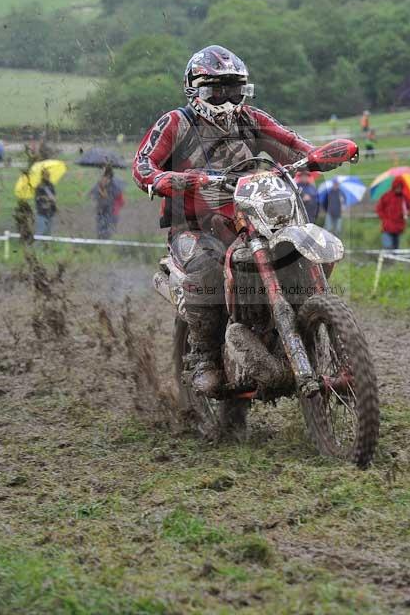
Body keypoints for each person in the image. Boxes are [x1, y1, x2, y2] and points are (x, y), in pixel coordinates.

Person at [132, 44, 335, 397]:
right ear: (195, 90)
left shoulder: (251, 118)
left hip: (248, 218)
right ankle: (203, 357)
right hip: (192, 227)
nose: (226, 100)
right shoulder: (176, 123)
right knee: (209, 268)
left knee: (300, 246)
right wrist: (164, 180)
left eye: (234, 90)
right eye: (217, 90)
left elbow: (290, 142)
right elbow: (143, 165)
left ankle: (306, 324)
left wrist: (318, 156)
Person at [376, 176, 410, 250]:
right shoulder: (386, 196)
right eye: (397, 187)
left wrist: (407, 213)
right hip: (387, 227)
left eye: (400, 187)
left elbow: (409, 209)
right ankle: (386, 261)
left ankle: (393, 261)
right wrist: (385, 218)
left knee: (396, 249)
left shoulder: (404, 198)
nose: (399, 188)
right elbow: (379, 209)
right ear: (394, 186)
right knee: (387, 247)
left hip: (399, 227)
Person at [90, 163, 123, 239]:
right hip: (100, 212)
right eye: (101, 177)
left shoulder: (114, 187)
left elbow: (117, 202)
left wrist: (105, 196)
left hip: (111, 214)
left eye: (103, 177)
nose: (101, 178)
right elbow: (94, 197)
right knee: (100, 232)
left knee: (107, 233)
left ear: (108, 178)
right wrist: (99, 193)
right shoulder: (99, 186)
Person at [34, 168, 57, 236]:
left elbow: (54, 196)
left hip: (51, 211)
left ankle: (47, 246)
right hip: (42, 212)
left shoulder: (51, 185)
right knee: (40, 231)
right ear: (42, 176)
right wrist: (45, 198)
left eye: (48, 175)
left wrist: (53, 200)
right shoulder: (39, 186)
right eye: (46, 175)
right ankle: (36, 246)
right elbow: (37, 198)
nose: (48, 176)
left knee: (48, 232)